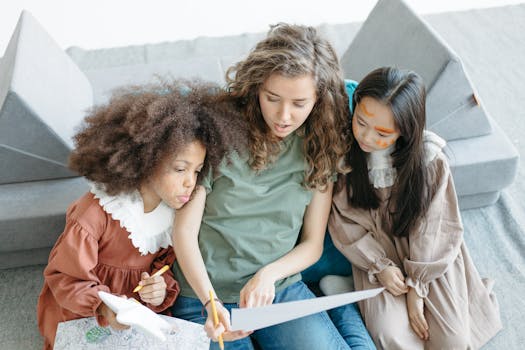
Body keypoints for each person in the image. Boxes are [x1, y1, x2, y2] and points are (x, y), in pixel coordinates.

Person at [171, 23, 374, 350]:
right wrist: (210, 303)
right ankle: (339, 303)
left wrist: (268, 275)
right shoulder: (218, 131)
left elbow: (312, 244)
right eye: (272, 98)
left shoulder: (320, 145)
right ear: (257, 87)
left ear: (318, 97)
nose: (283, 116)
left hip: (280, 290)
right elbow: (183, 232)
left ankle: (341, 305)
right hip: (203, 296)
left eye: (299, 103)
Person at [37, 80, 246, 349]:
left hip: (136, 317)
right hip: (84, 311)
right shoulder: (95, 213)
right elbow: (65, 279)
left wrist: (158, 291)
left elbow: (164, 267)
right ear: (146, 161)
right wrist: (103, 306)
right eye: (180, 169)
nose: (190, 182)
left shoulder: (172, 215)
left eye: (197, 171)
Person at [324, 67, 502, 349]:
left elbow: (436, 228)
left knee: (451, 342)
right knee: (393, 337)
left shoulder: (429, 162)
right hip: (377, 254)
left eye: (383, 132)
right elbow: (345, 222)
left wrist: (417, 288)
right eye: (361, 122)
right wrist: (379, 266)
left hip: (428, 252)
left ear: (405, 130)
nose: (367, 138)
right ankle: (358, 286)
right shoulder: (345, 160)